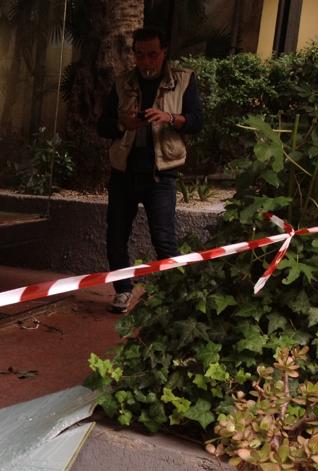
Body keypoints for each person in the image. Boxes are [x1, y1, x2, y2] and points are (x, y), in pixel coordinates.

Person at [97, 26, 204, 313]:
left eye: (152, 55)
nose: (146, 61)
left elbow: (197, 121)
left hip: (161, 173)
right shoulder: (122, 83)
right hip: (124, 172)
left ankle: (175, 299)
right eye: (140, 55)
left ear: (164, 52)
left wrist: (169, 117)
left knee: (164, 238)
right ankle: (123, 291)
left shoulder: (183, 80)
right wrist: (123, 124)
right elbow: (102, 125)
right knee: (116, 236)